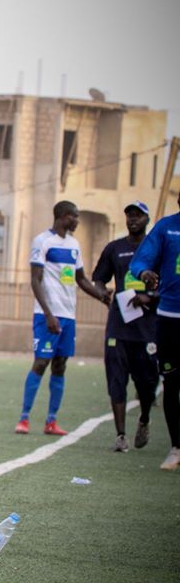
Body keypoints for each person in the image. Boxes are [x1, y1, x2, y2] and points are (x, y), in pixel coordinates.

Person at [15, 200, 110, 436]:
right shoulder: (42, 241)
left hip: (68, 316)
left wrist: (102, 297)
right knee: (41, 362)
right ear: (63, 216)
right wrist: (48, 314)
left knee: (60, 365)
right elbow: (35, 280)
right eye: (74, 216)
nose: (77, 220)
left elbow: (81, 279)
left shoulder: (74, 245)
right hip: (47, 315)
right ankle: (24, 419)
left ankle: (51, 421)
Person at [91, 201, 158, 452]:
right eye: (129, 215)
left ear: (147, 219)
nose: (133, 219)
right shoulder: (115, 248)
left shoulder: (157, 249)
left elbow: (169, 285)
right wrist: (103, 294)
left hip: (147, 327)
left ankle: (144, 419)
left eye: (138, 215)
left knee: (147, 380)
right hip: (119, 324)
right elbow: (98, 278)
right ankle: (120, 435)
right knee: (116, 378)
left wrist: (148, 298)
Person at [130, 195, 180, 470]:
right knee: (171, 383)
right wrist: (145, 273)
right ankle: (176, 447)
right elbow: (140, 261)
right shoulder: (166, 228)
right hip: (170, 318)